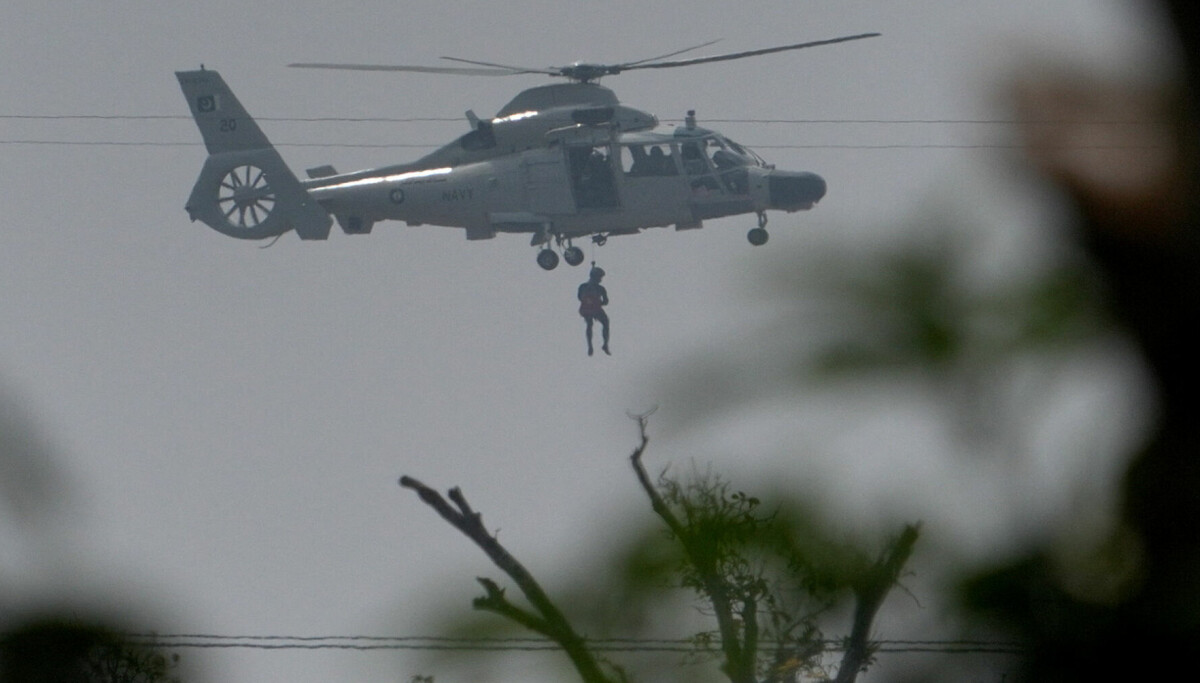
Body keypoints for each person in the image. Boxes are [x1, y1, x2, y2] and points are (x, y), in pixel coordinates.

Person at [577, 266, 610, 356]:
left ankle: (598, 345)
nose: (600, 280)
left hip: (590, 308)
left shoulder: (584, 286)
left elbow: (579, 297)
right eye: (599, 277)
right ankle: (599, 345)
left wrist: (596, 302)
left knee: (591, 324)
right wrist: (596, 301)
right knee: (601, 323)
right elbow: (605, 301)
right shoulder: (597, 288)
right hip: (591, 308)